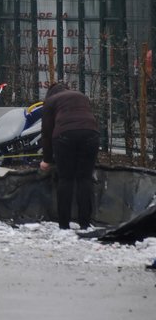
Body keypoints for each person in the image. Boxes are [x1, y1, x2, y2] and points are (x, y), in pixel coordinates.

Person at [39, 82, 100, 230]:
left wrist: (47, 160)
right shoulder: (81, 96)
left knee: (65, 179)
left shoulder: (50, 102)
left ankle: (64, 224)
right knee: (84, 178)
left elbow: (46, 133)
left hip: (64, 136)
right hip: (91, 134)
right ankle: (85, 223)